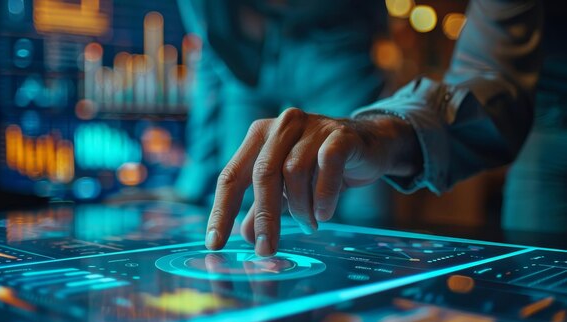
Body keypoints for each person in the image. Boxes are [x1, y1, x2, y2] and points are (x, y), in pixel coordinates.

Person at [205, 0, 558, 256]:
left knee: (356, 209)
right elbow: (493, 79)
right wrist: (373, 133)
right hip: (554, 117)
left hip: (339, 52)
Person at [174, 0, 393, 226]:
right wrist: (192, 182)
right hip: (243, 67)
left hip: (335, 51)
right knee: (240, 199)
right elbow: (210, 48)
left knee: (358, 203)